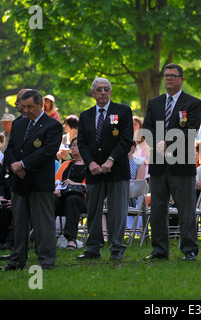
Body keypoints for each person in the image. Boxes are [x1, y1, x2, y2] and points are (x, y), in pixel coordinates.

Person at [142, 63, 201, 261]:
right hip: (159, 164)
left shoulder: (192, 103)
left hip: (181, 164)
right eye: (166, 75)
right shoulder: (155, 103)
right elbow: (147, 128)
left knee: (186, 209)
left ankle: (189, 250)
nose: (168, 79)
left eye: (173, 76)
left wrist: (167, 143)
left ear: (181, 79)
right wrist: (157, 143)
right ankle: (159, 250)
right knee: (158, 209)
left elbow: (191, 130)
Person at [0, 89, 63, 270]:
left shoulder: (52, 125)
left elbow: (47, 152)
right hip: (19, 181)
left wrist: (23, 164)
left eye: (30, 107)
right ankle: (17, 260)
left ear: (40, 105)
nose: (25, 110)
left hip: (39, 182)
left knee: (43, 224)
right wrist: (14, 166)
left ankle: (46, 260)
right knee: (19, 224)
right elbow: (10, 148)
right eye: (23, 106)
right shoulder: (19, 124)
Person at [77, 77, 133, 261]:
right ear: (93, 93)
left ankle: (117, 249)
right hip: (93, 171)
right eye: (99, 89)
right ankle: (93, 249)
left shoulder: (123, 111)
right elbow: (82, 143)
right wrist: (90, 163)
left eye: (106, 89)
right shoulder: (85, 115)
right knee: (93, 211)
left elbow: (126, 140)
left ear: (110, 92)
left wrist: (111, 160)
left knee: (117, 212)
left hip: (116, 170)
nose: (103, 92)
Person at [54, 137, 86, 250]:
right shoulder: (66, 164)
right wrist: (57, 189)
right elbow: (56, 181)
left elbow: (91, 186)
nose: (72, 148)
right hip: (62, 197)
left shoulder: (90, 165)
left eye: (75, 145)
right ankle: (44, 237)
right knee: (50, 200)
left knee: (72, 199)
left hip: (82, 200)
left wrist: (73, 183)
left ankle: (71, 239)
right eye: (71, 145)